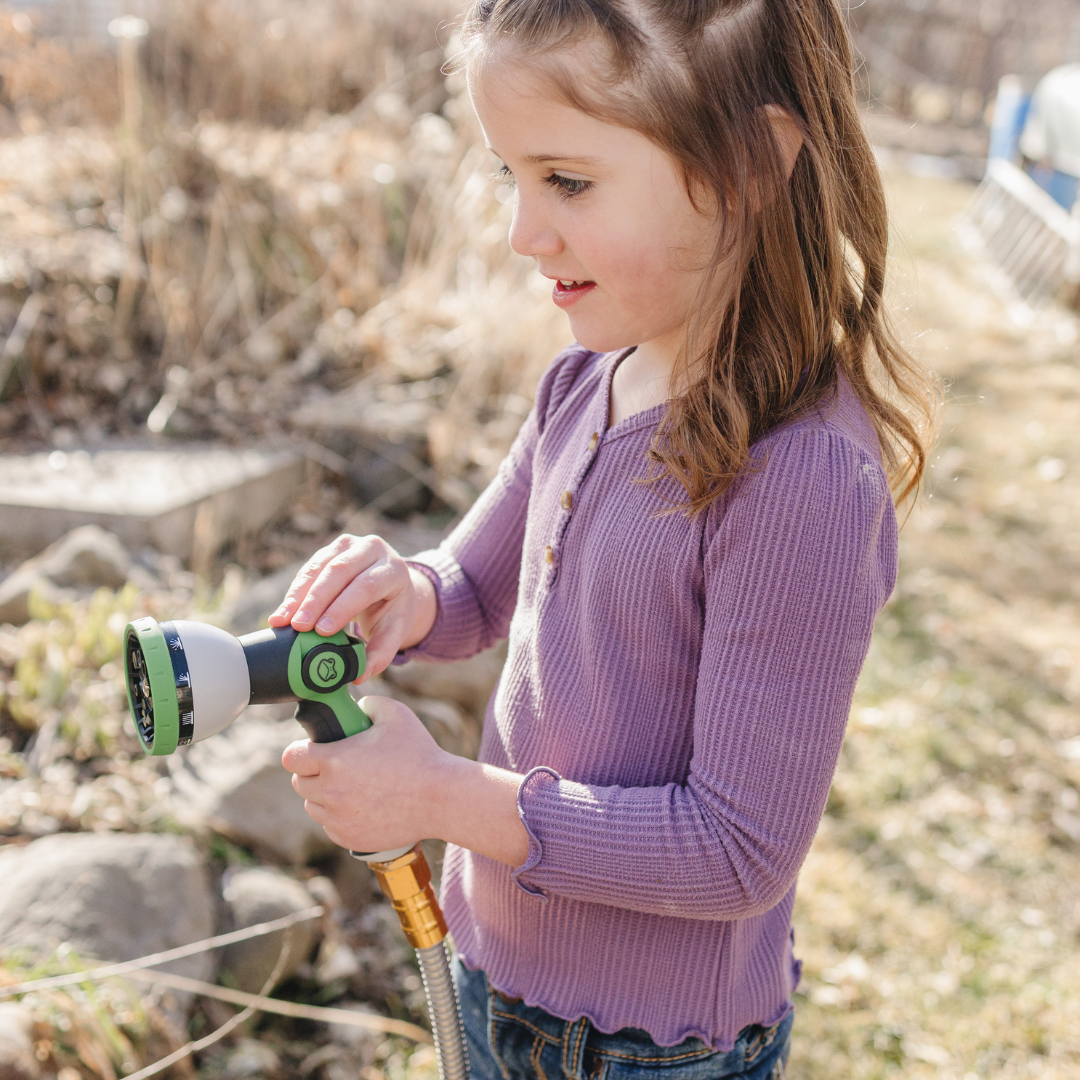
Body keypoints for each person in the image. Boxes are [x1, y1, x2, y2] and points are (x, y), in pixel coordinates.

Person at [275, 1, 936, 1077]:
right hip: (495, 973)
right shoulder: (587, 378)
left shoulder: (801, 478)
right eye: (512, 176)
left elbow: (737, 850)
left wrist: (440, 795)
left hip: (644, 1048)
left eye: (568, 183)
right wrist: (406, 592)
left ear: (751, 163)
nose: (522, 233)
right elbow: (477, 588)